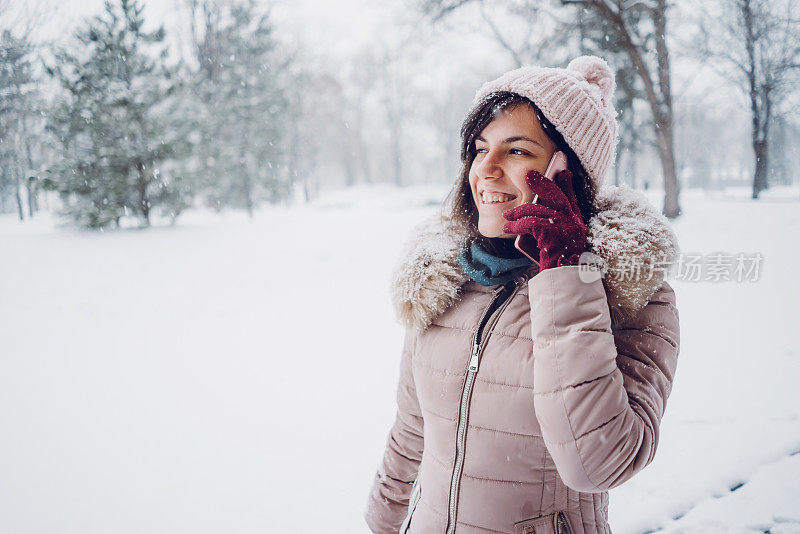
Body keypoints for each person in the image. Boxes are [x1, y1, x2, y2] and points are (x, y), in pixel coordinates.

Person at [364, 56, 681, 534]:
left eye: (515, 152)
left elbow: (600, 464)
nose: (485, 171)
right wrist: (383, 521)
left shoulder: (630, 295)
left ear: (566, 172)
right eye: (479, 148)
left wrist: (567, 277)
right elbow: (413, 430)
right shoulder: (442, 281)